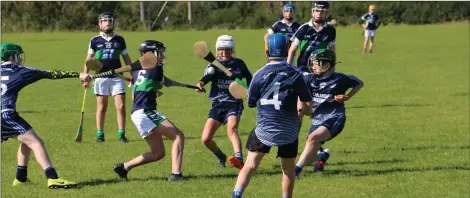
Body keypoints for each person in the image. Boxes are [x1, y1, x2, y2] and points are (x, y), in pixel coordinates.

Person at [231, 34, 312, 198]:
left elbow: (251, 103)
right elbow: (307, 102)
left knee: (250, 165)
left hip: (264, 130)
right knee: (288, 170)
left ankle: (236, 195)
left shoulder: (259, 75)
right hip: (289, 131)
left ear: (267, 51)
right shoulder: (296, 74)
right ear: (287, 50)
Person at [95, 40, 186, 182]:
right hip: (146, 112)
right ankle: (176, 174)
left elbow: (136, 94)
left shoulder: (136, 71)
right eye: (160, 53)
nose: (162, 56)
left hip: (136, 113)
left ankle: (124, 167)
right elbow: (163, 83)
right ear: (151, 54)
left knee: (158, 153)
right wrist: (156, 89)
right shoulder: (157, 68)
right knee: (178, 136)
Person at [1, 42, 88, 188]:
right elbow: (50, 74)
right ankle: (53, 178)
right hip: (5, 115)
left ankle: (20, 179)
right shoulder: (20, 70)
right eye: (18, 56)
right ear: (11, 56)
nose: (20, 59)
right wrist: (78, 74)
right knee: (36, 142)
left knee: (27, 141)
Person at [295, 49, 364, 178]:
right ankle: (322, 156)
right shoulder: (309, 78)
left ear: (327, 65)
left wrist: (348, 97)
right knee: (309, 157)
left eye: (317, 63)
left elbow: (359, 83)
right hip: (317, 120)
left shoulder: (339, 78)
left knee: (312, 139)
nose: (313, 66)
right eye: (313, 63)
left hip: (334, 117)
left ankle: (296, 171)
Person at [196, 35, 253, 170]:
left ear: (232, 50)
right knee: (205, 139)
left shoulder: (239, 64)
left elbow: (250, 79)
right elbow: (208, 76)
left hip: (234, 102)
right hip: (218, 104)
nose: (224, 52)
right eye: (221, 49)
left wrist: (250, 92)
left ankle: (238, 158)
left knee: (232, 129)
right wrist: (201, 83)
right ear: (217, 50)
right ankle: (220, 155)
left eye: (227, 49)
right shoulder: (214, 65)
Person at [82, 12, 132, 143]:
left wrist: (134, 73)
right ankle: (100, 134)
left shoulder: (120, 40)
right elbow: (88, 60)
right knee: (101, 107)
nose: (107, 23)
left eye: (109, 21)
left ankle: (121, 134)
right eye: (104, 21)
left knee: (120, 106)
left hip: (117, 77)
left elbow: (126, 58)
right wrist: (85, 76)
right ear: (99, 24)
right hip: (100, 77)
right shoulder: (94, 40)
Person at [287, 1, 336, 73]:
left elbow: (332, 52)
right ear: (312, 12)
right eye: (316, 11)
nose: (319, 13)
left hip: (321, 69)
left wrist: (332, 71)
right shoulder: (304, 28)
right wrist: (287, 69)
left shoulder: (331, 30)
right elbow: (292, 51)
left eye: (322, 11)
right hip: (303, 69)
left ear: (326, 14)